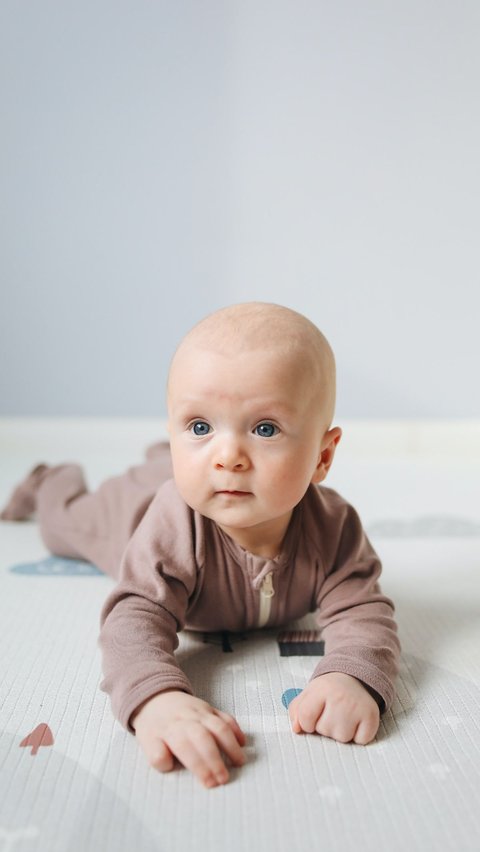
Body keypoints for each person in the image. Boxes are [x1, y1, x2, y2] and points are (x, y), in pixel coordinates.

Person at [1, 302, 400, 789]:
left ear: (323, 455)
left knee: (183, 469)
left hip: (180, 478)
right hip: (128, 515)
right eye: (199, 427)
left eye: (265, 429)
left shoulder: (332, 528)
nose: (228, 456)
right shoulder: (173, 528)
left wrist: (351, 676)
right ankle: (51, 479)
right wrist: (157, 699)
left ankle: (164, 453)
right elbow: (133, 619)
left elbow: (364, 610)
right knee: (62, 527)